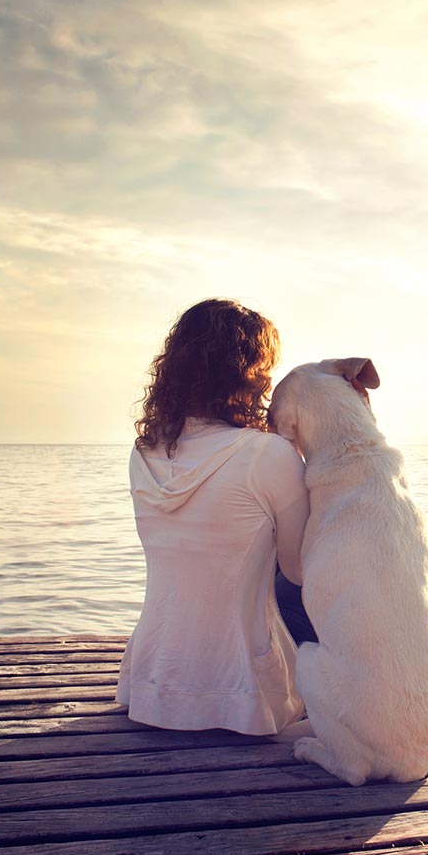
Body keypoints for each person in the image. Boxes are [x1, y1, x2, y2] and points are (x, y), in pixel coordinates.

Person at [118, 299, 308, 735]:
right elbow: (298, 572)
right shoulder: (269, 453)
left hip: (150, 683)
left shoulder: (143, 451)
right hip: (246, 693)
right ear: (248, 373)